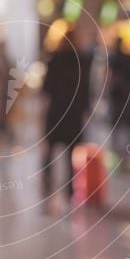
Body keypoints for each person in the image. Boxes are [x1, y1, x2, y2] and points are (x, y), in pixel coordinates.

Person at [41, 27, 92, 208]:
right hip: (74, 114)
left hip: (56, 112)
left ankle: (46, 185)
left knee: (49, 152)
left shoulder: (53, 59)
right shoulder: (82, 61)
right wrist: (86, 109)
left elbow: (45, 89)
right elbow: (86, 89)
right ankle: (70, 190)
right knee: (71, 154)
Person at [107, 36, 130, 169]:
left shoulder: (114, 58)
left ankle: (117, 158)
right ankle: (127, 157)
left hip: (117, 96)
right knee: (127, 127)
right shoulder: (129, 58)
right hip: (126, 96)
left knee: (117, 128)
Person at [0, 39, 15, 143]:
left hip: (5, 91)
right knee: (2, 114)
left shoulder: (2, 59)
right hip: (3, 91)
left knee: (4, 115)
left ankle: (0, 133)